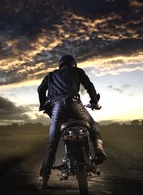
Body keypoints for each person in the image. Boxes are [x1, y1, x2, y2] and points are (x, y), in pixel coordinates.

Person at [37, 54, 107, 188]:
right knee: (92, 125)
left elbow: (40, 90)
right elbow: (89, 86)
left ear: (60, 64)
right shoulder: (77, 71)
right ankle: (98, 148)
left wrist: (43, 105)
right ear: (73, 64)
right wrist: (94, 102)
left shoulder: (51, 75)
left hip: (57, 108)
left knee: (52, 143)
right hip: (74, 104)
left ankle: (44, 177)